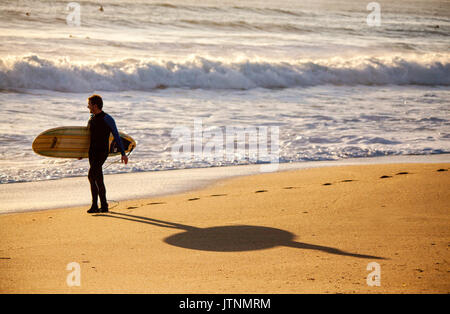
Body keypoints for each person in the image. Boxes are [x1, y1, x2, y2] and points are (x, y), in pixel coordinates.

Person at [84, 94, 128, 213]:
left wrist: (123, 154)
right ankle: (103, 206)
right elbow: (87, 138)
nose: (88, 107)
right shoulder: (91, 119)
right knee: (97, 178)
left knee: (91, 175)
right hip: (92, 152)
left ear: (95, 105)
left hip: (102, 151)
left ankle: (96, 205)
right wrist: (80, 153)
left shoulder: (107, 118)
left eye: (89, 104)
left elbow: (117, 137)